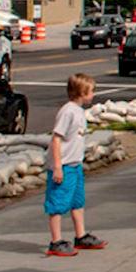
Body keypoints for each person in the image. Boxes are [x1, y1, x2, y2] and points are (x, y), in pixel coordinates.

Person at [45, 73, 107, 256]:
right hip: (63, 165)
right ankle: (55, 241)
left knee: (77, 201)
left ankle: (80, 235)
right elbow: (56, 139)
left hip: (75, 164)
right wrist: (57, 166)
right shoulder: (67, 112)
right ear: (81, 92)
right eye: (91, 91)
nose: (93, 94)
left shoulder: (79, 111)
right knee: (57, 202)